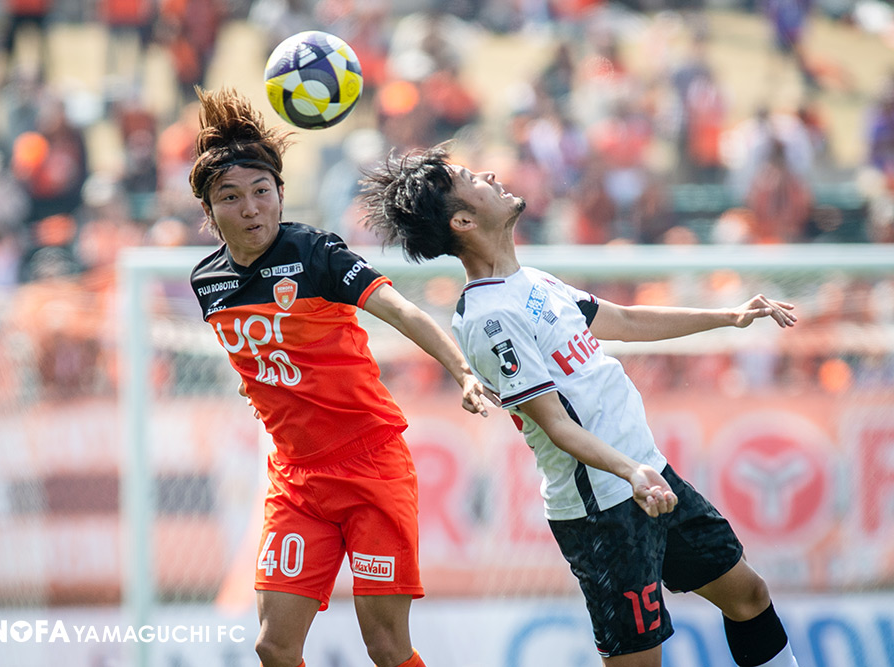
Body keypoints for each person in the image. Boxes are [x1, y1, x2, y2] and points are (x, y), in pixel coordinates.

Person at [187, 88, 624, 667]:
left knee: (386, 646)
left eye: (261, 191)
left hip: (370, 467)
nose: (250, 209)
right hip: (295, 479)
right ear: (209, 211)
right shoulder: (207, 283)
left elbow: (402, 311)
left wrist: (462, 370)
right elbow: (257, 359)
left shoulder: (315, 253)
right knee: (273, 646)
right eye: (231, 197)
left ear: (281, 194)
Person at [359, 143, 801, 667]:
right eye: (471, 178)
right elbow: (556, 426)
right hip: (604, 510)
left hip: (647, 476)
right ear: (463, 220)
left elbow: (626, 321)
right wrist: (630, 472)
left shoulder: (531, 281)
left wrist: (729, 316)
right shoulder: (490, 318)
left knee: (748, 595)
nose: (491, 173)